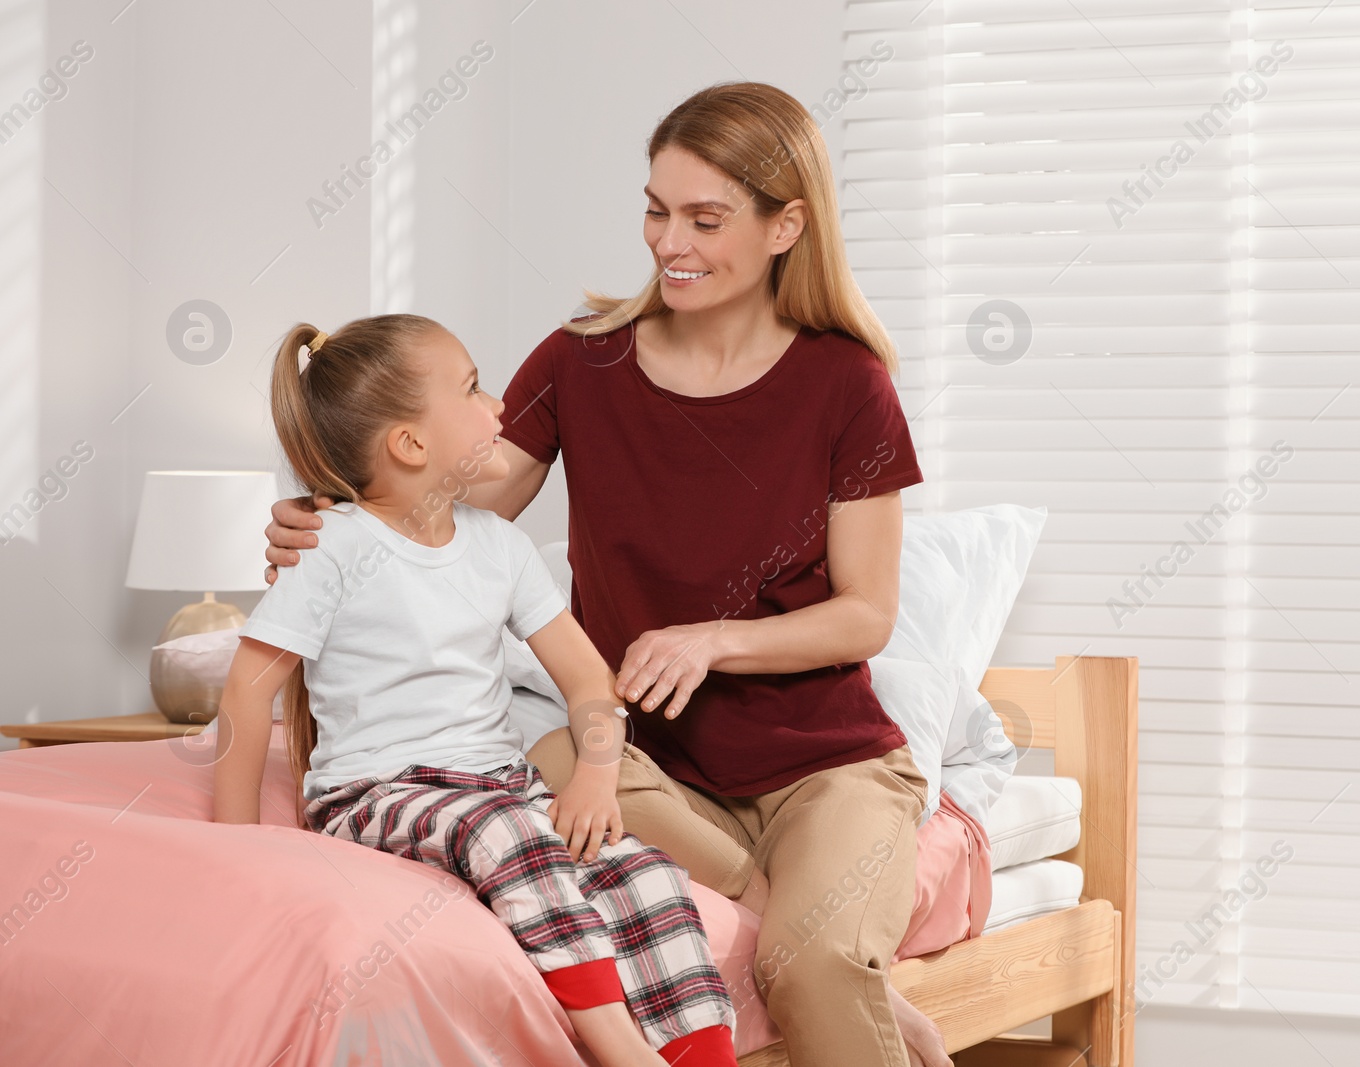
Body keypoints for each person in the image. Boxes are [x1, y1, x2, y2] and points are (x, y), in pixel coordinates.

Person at [266, 83, 952, 1067]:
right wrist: (331, 516)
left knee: (811, 959)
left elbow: (866, 615)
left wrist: (715, 638)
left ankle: (832, 965)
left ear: (784, 226)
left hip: (825, 768)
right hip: (647, 766)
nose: (668, 240)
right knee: (539, 758)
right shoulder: (584, 361)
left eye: (705, 219)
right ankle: (851, 979)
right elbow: (456, 500)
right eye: (655, 209)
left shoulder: (847, 385)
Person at [216, 314, 737, 1067]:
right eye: (473, 388)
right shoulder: (333, 546)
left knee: (643, 873)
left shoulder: (502, 547)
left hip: (499, 784)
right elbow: (243, 694)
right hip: (375, 789)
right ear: (412, 444)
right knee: (511, 834)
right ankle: (619, 1048)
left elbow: (588, 677)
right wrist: (241, 848)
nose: (498, 407)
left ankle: (704, 1057)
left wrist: (594, 775)